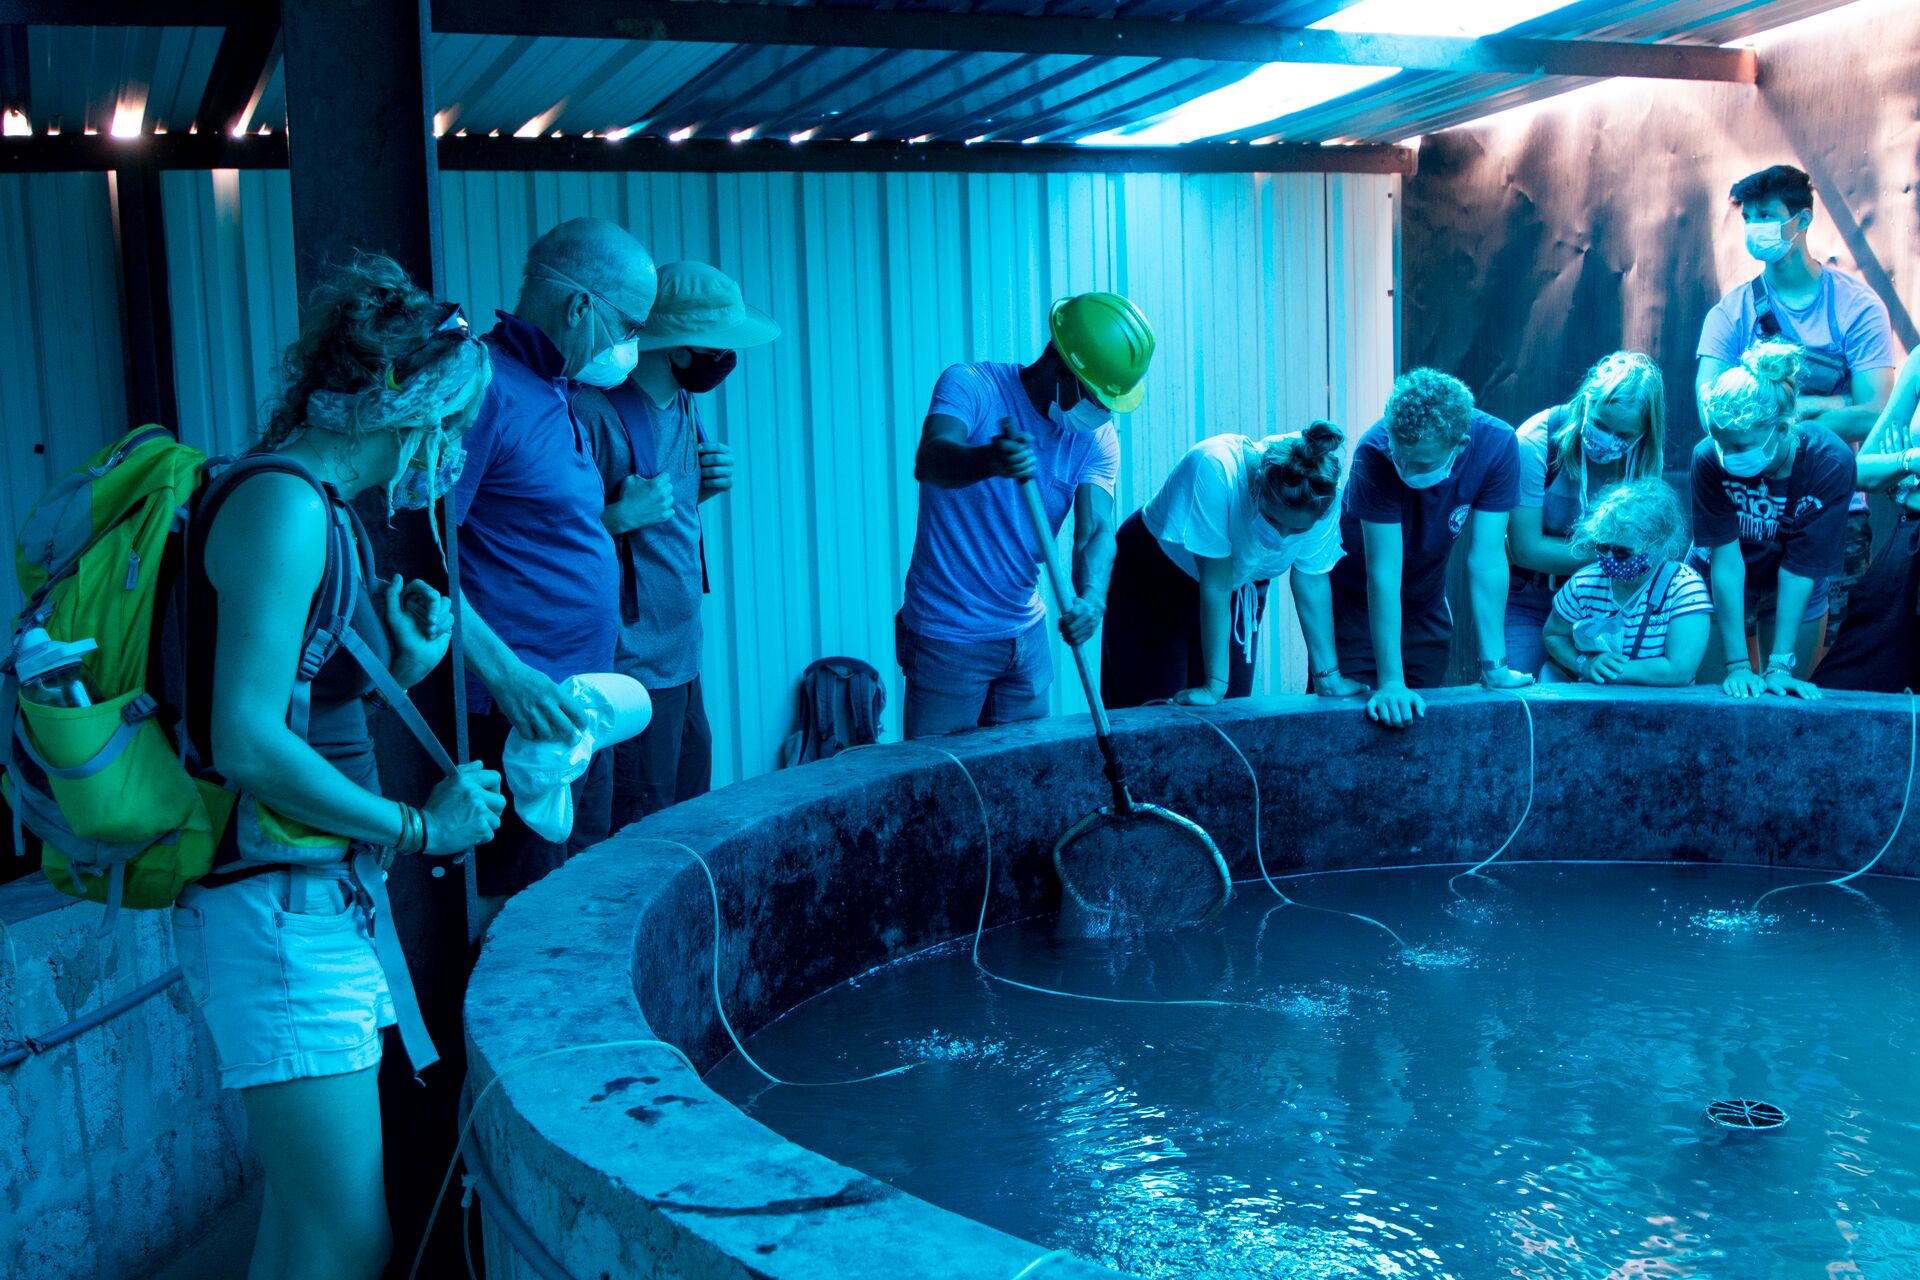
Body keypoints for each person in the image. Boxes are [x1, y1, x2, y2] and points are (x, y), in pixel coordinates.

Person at [170, 256, 506, 1280]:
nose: (447, 447)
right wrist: (422, 827)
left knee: (304, 1224)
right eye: (445, 419)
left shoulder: (312, 502)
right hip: (279, 914)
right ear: (392, 401)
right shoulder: (287, 506)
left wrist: (397, 664)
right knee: (346, 1237)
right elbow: (244, 739)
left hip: (306, 906)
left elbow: (295, 709)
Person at [453, 217, 657, 913]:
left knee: (577, 896)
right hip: (517, 713)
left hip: (575, 708)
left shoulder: (556, 386)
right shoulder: (483, 389)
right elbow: (420, 560)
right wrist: (508, 678)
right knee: (521, 914)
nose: (631, 347)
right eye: (628, 325)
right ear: (580, 308)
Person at [573, 262, 776, 828]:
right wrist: (616, 517)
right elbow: (550, 544)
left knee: (688, 807)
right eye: (718, 345)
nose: (727, 358)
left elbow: (661, 516)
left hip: (682, 656)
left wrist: (699, 492)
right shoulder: (592, 414)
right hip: (634, 663)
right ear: (680, 349)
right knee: (644, 827)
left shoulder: (682, 404)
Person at [897, 292, 1153, 738]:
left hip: (1025, 635)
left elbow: (1095, 531)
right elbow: (931, 460)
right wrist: (988, 460)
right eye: (1097, 397)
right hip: (948, 635)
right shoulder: (972, 387)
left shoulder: (1095, 437)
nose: (1105, 412)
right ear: (1061, 366)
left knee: (1026, 782)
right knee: (938, 787)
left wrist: (1091, 599)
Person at [1696, 164, 1899, 639]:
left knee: (1818, 661)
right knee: (1734, 662)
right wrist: (1832, 404)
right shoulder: (1731, 313)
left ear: (1802, 220)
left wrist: (1782, 415)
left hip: (1832, 507)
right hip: (1746, 505)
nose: (1754, 227)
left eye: (1767, 214)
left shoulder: (1856, 307)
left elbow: (1876, 414)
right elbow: (1712, 414)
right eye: (1748, 217)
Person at [1102, 421, 1367, 707]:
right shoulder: (1214, 468)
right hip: (1155, 580)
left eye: (1297, 532)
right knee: (1155, 713)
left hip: (1238, 587)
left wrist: (1328, 677)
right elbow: (1216, 584)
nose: (1282, 538)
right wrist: (1214, 685)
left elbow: (1311, 580)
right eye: (1274, 521)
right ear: (1257, 486)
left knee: (1232, 712)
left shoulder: (1321, 487)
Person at [1328, 368, 1534, 729]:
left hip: (1426, 606)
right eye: (1400, 454)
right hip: (1357, 607)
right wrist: (1391, 682)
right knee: (1354, 724)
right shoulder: (1374, 450)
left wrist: (1495, 667)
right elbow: (1384, 572)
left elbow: (1487, 560)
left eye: (1421, 462)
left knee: (1421, 727)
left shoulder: (1497, 445)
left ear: (1461, 445)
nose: (1406, 468)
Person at [1690, 340, 1856, 700]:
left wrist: (1780, 664)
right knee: (1719, 696)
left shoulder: (1830, 462)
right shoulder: (1707, 458)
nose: (1726, 456)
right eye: (1721, 442)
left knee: (1784, 694)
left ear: (1782, 429)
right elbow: (1726, 562)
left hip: (1792, 583)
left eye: (1740, 446)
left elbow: (1800, 570)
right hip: (1725, 581)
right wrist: (1736, 664)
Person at [1506, 351, 1668, 676]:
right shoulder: (1535, 442)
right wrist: (1616, 555)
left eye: (1623, 436)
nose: (1609, 440)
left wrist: (1621, 558)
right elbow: (1525, 550)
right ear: (1586, 401)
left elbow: (1648, 544)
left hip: (1604, 600)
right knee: (1524, 693)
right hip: (1531, 597)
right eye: (1601, 425)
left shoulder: (1647, 458)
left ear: (1644, 433)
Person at [1541, 479, 1713, 687]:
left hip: (1664, 708)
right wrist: (1583, 663)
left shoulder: (1684, 588)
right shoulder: (1584, 583)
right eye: (1603, 548)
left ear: (1659, 546)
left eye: (1622, 552)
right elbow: (1554, 634)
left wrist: (1602, 670)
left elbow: (1679, 670)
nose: (1610, 558)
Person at [1818, 346, 1920, 692]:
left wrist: (1905, 483)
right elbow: (1860, 471)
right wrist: (1905, 461)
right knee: (1844, 681)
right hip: (1910, 546)